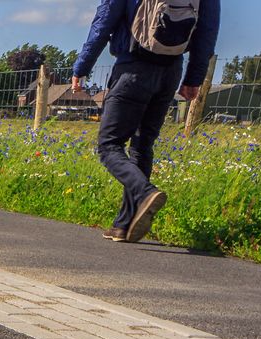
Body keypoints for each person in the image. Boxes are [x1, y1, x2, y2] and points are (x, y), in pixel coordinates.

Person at [70, 0, 219, 243]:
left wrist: (82, 67)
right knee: (142, 144)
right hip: (170, 72)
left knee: (109, 145)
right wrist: (194, 77)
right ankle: (124, 225)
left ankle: (145, 192)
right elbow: (208, 31)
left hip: (133, 68)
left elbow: (103, 22)